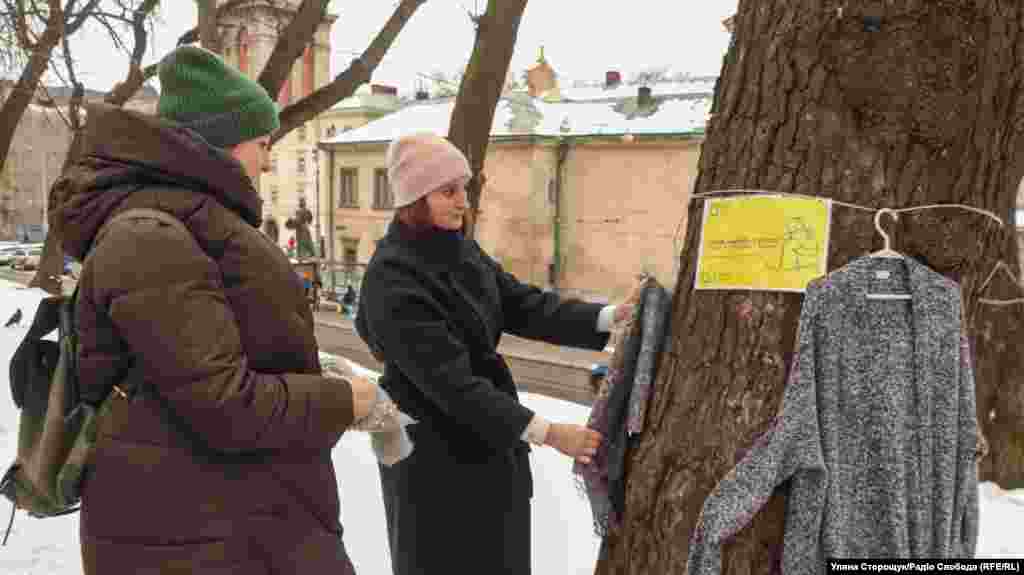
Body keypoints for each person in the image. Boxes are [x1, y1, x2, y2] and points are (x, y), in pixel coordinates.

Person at [51, 45, 392, 574]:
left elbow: (202, 363)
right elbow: (222, 404)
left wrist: (312, 371)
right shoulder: (152, 234)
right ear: (222, 143)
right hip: (196, 534)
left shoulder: (184, 222)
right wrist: (341, 400)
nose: (269, 159)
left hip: (229, 518)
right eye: (262, 142)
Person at [355, 133, 638, 574]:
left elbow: (523, 304)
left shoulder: (460, 251)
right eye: (448, 191)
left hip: (489, 460)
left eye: (463, 190)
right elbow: (452, 385)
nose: (462, 202)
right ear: (415, 198)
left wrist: (608, 317)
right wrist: (548, 431)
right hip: (433, 474)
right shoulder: (392, 278)